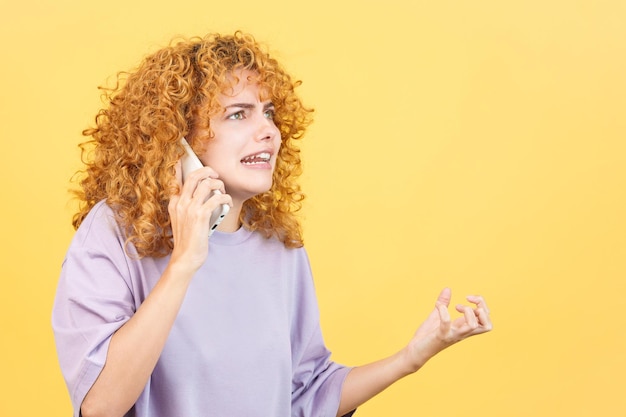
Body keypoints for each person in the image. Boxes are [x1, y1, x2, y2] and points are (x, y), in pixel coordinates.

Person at [52, 31, 492, 417]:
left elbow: (305, 395)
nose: (269, 131)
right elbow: (100, 404)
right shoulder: (114, 233)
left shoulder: (279, 248)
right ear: (176, 138)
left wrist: (411, 357)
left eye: (269, 112)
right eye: (238, 114)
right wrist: (184, 262)